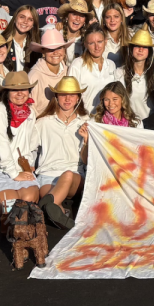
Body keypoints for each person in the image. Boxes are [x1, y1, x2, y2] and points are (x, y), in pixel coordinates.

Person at [33, 76, 89, 228]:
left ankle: (53, 210)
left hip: (75, 177)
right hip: (47, 175)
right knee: (50, 201)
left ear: (78, 98)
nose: (67, 99)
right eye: (63, 94)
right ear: (56, 97)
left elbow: (85, 161)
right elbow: (30, 151)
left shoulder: (85, 122)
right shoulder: (43, 122)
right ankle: (64, 216)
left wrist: (86, 141)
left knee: (68, 174)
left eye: (72, 95)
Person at [0, 71, 41, 205]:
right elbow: (1, 144)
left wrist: (30, 162)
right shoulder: (0, 110)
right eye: (14, 90)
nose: (20, 93)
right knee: (9, 204)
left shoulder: (30, 111)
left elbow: (32, 142)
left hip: (23, 168)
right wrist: (14, 174)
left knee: (29, 198)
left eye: (23, 89)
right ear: (7, 92)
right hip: (4, 170)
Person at [69, 25, 118, 111]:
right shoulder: (77, 64)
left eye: (99, 42)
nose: (97, 47)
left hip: (105, 120)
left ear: (105, 41)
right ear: (85, 44)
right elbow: (70, 96)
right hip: (84, 119)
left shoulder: (111, 65)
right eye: (91, 43)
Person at [26, 27, 72, 116]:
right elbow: (29, 108)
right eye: (50, 49)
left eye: (59, 48)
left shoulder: (69, 72)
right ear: (43, 52)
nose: (55, 52)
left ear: (64, 50)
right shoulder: (34, 76)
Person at [119, 26, 154, 122]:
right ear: (131, 49)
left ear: (149, 51)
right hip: (129, 123)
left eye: (145, 47)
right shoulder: (120, 72)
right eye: (137, 46)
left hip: (151, 124)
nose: (140, 49)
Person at [2, 5, 41, 72]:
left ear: (33, 24)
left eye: (30, 19)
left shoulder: (36, 45)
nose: (25, 21)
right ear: (15, 18)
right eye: (22, 17)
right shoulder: (2, 42)